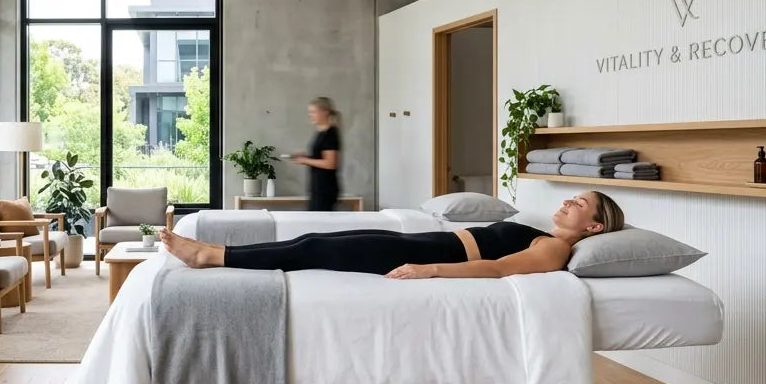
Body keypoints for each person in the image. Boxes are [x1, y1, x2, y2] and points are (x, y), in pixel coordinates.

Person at [161, 191, 623, 279]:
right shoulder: (542, 229)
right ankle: (217, 251)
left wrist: (431, 270)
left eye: (580, 204)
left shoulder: (555, 248)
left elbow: (499, 269)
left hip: (430, 251)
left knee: (314, 248)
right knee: (309, 242)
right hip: (419, 241)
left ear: (594, 227)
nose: (568, 202)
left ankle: (212, 257)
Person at [291, 97, 340, 211]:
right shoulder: (321, 133)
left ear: (325, 112)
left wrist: (305, 160)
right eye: (310, 112)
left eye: (313, 112)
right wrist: (306, 157)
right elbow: (321, 158)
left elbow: (331, 163)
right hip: (318, 188)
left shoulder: (330, 134)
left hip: (325, 189)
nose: (310, 115)